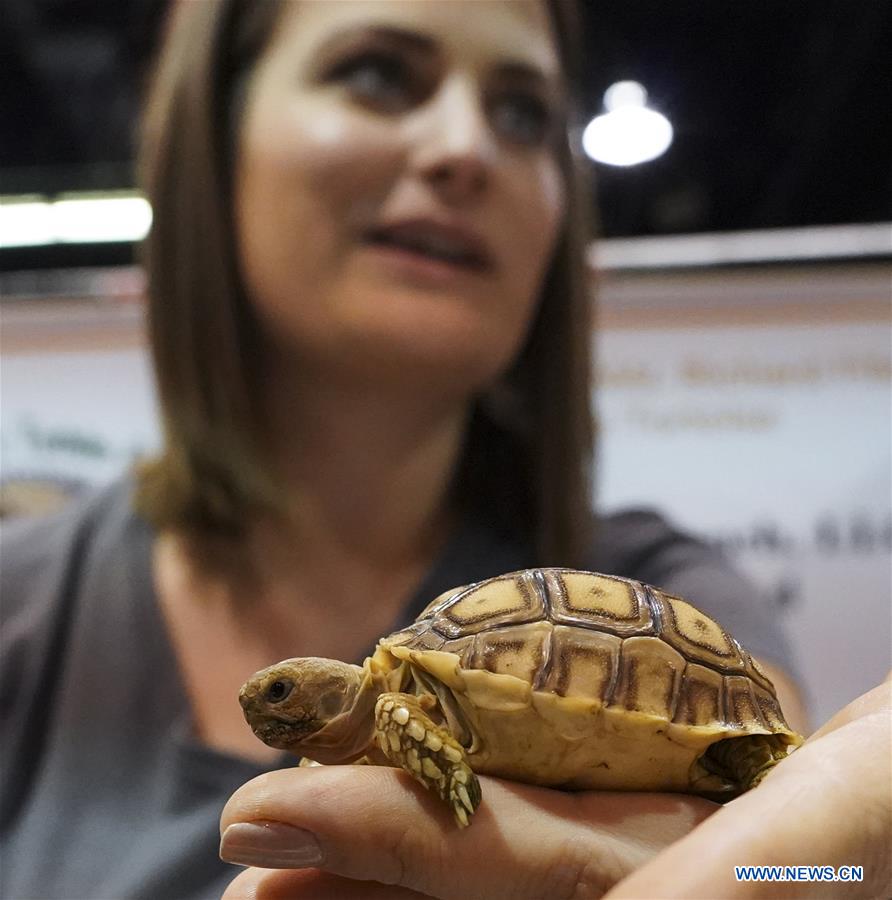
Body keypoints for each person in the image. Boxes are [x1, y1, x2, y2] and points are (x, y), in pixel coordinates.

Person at [5, 1, 881, 899]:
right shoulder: (20, 606)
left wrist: (822, 870)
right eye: (379, 74)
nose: (465, 148)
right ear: (213, 140)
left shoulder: (667, 576)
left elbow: (793, 838)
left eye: (524, 112)